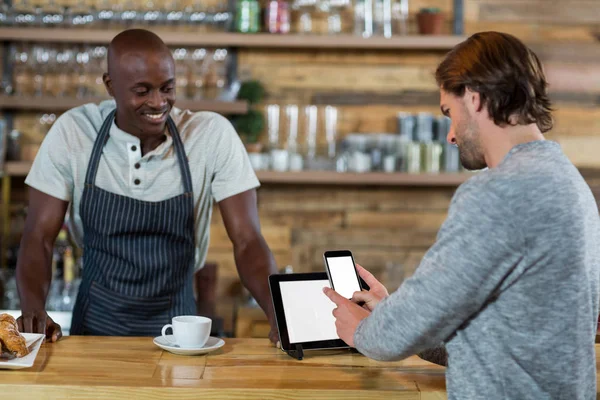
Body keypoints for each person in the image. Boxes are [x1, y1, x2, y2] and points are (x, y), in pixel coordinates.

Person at [324, 31, 600, 399]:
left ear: (475, 98)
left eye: (449, 113)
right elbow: (501, 339)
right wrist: (393, 313)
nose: (451, 135)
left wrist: (362, 331)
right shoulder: (566, 181)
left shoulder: (502, 191)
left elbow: (388, 340)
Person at [16, 29, 279, 343]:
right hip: (95, 330)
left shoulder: (210, 136)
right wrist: (33, 308)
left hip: (179, 329)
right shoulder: (74, 133)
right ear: (110, 85)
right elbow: (38, 236)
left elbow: (248, 240)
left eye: (167, 88)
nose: (158, 102)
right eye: (142, 91)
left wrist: (278, 311)